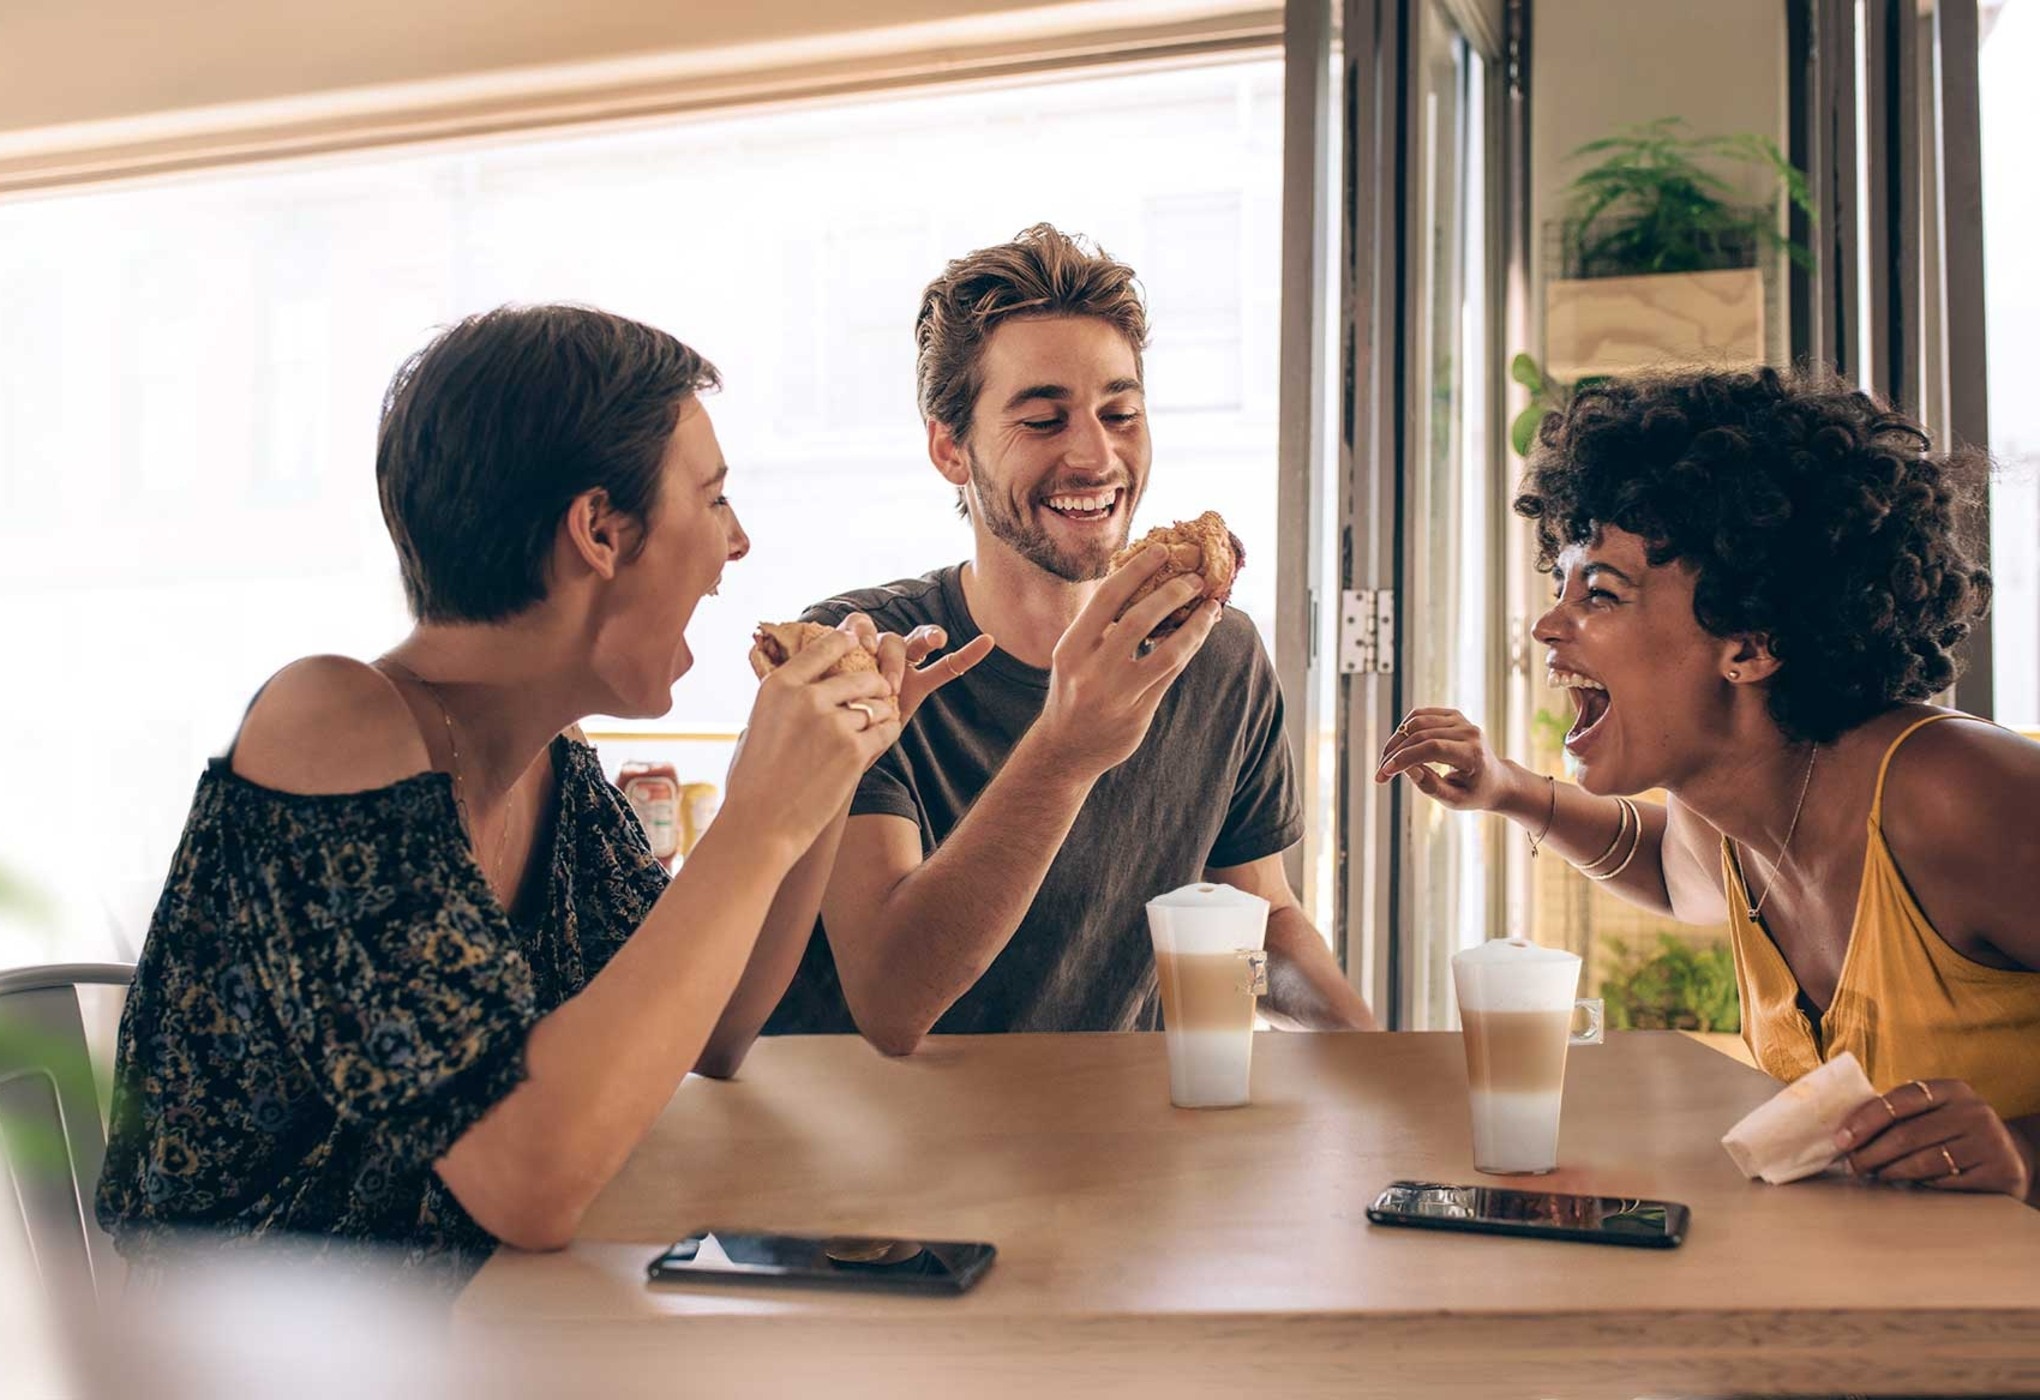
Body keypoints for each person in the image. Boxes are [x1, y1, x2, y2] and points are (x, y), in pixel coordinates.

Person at [92, 304, 986, 1279]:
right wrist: (762, 815)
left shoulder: (550, 763)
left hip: (469, 1324)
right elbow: (528, 1179)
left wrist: (828, 777)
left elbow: (717, 1029)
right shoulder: (330, 724)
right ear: (600, 530)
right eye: (715, 498)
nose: (737, 543)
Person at [1375, 367, 2040, 1203]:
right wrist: (1509, 790)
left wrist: (2027, 1154)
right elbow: (1666, 870)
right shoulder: (1729, 813)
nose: (1549, 623)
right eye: (1560, 586)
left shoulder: (1957, 797)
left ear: (1752, 644)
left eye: (1602, 594)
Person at [731, 224, 1375, 1066]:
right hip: (876, 1161)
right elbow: (891, 1001)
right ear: (949, 448)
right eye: (1042, 420)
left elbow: (1262, 922)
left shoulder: (1217, 656)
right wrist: (1067, 750)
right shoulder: (864, 660)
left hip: (1108, 1144)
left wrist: (1382, 1059)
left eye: (1121, 414)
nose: (1095, 455)